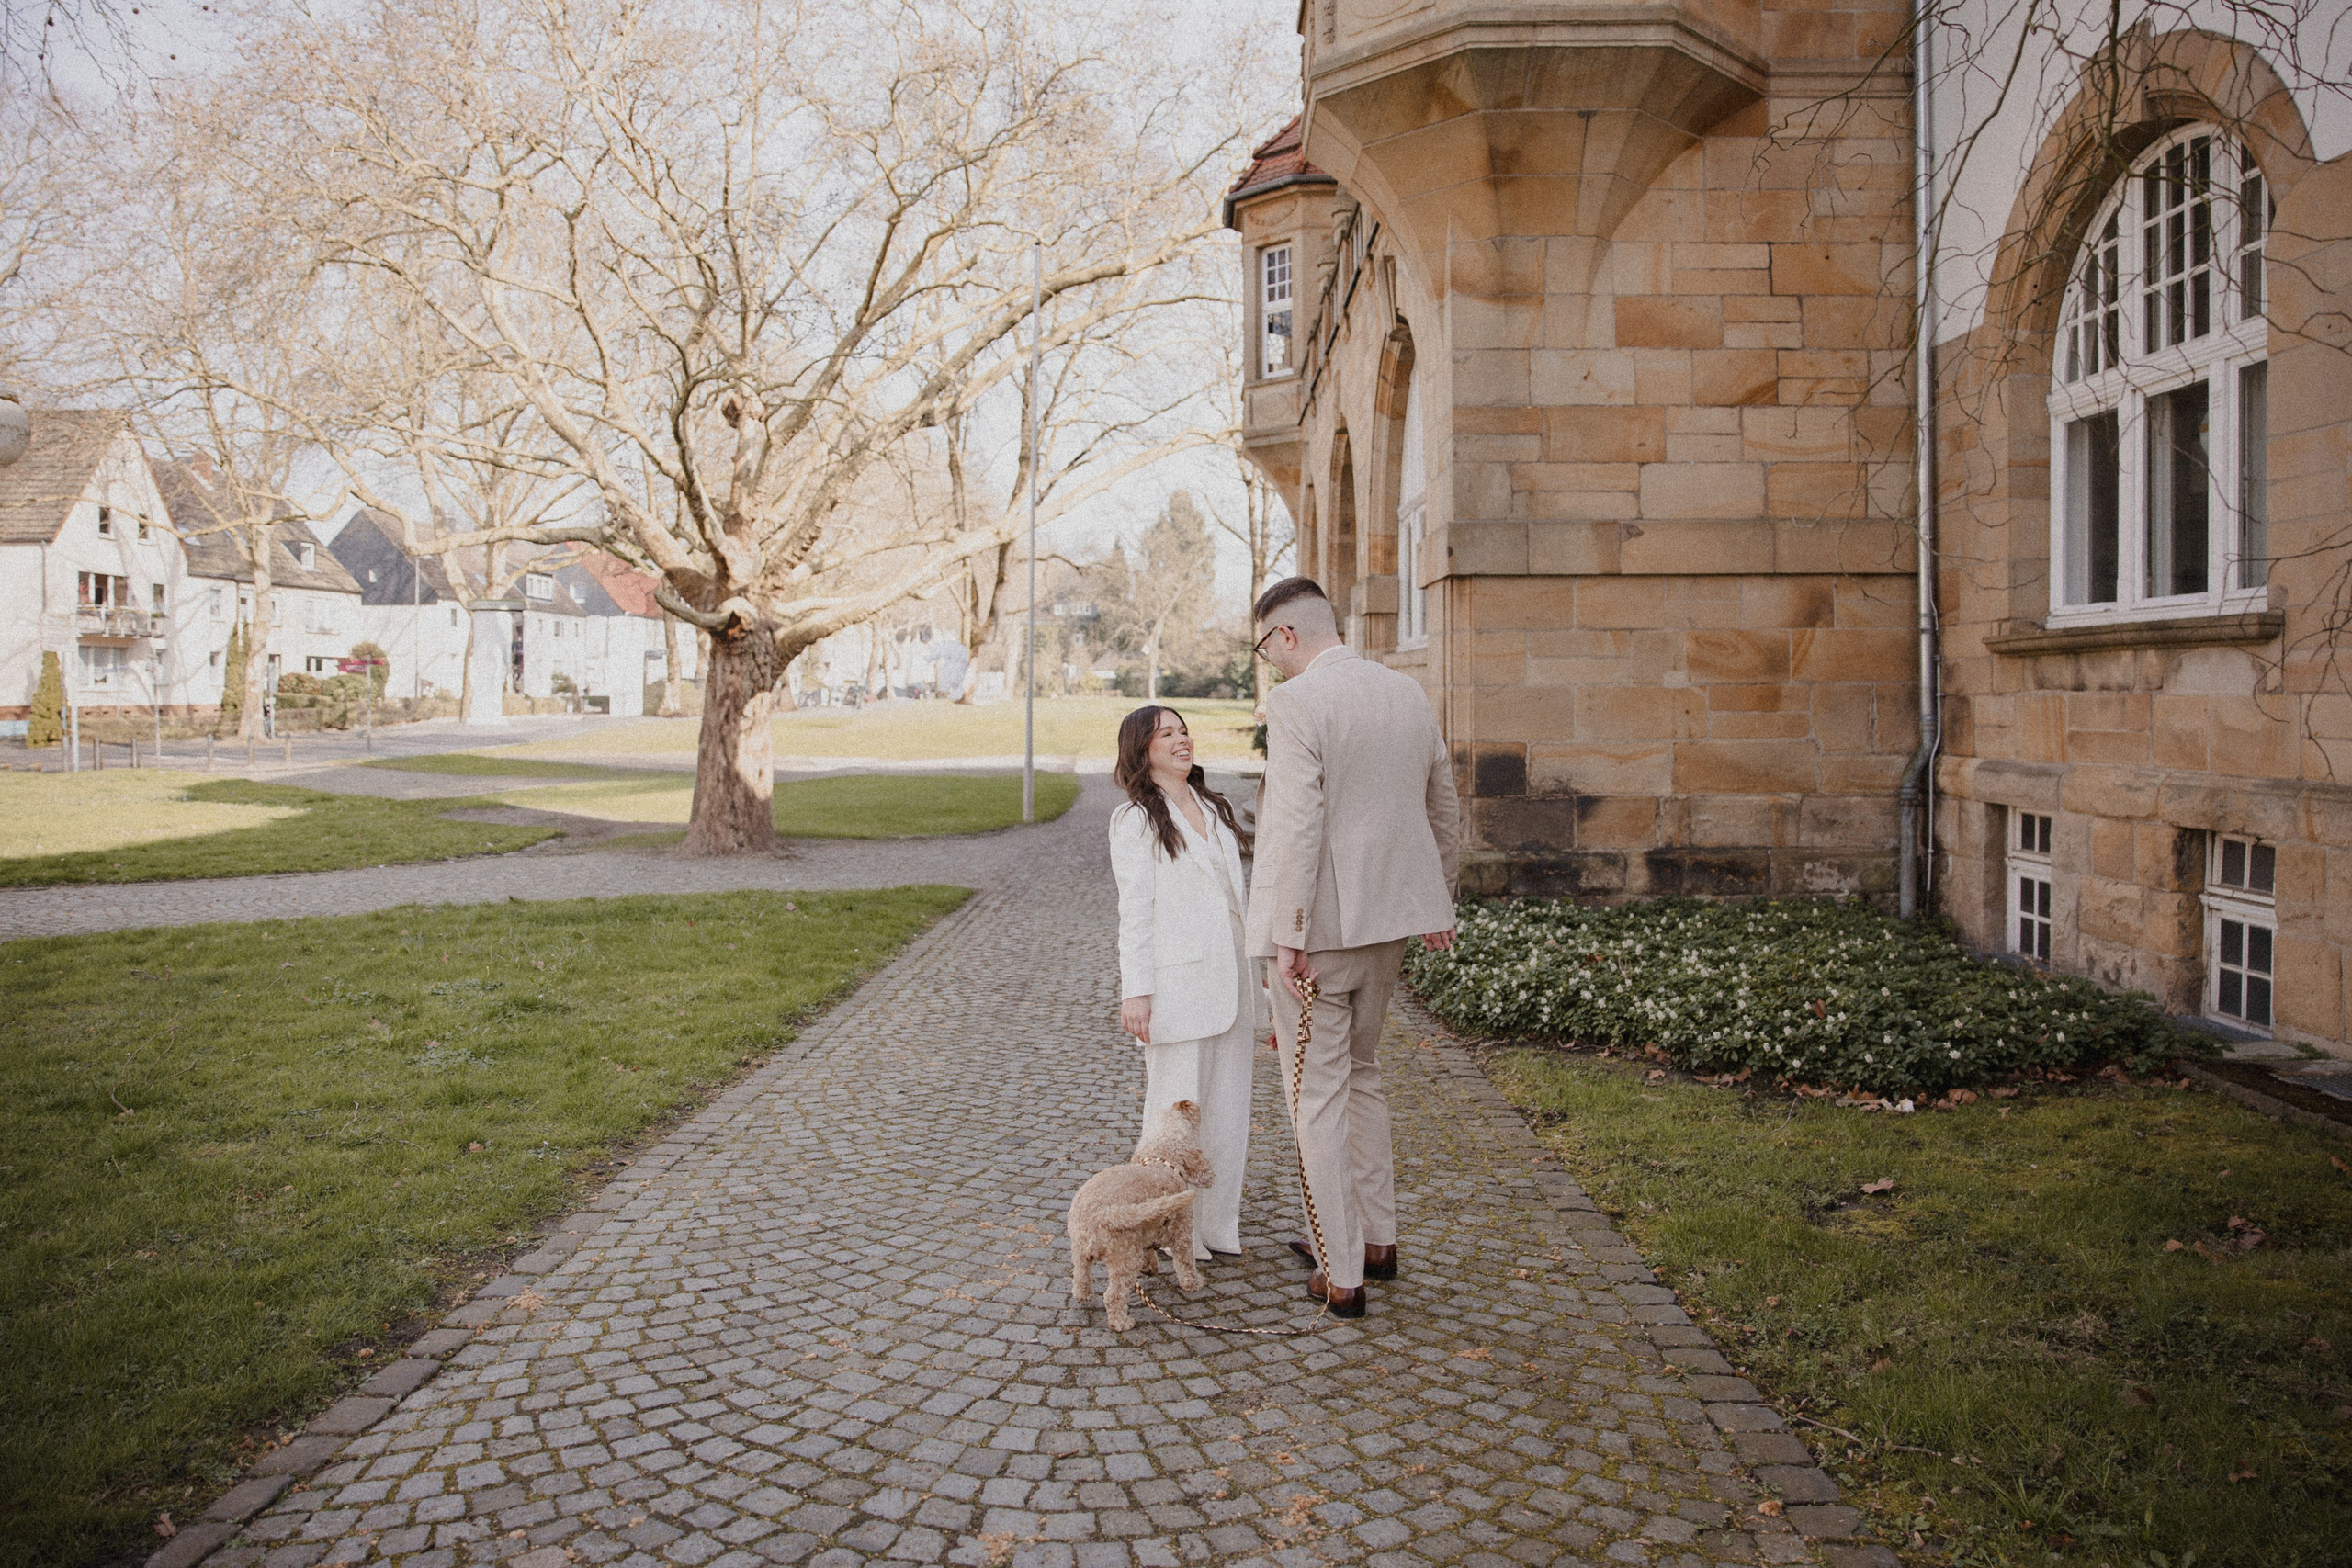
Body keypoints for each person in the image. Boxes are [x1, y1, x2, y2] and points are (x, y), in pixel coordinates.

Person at [1244, 577, 1458, 1318]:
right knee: (1361, 1074)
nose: (1266, 660)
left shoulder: (1298, 702)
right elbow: (1443, 803)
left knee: (1318, 1095)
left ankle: (1341, 1272)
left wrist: (1290, 932)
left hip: (1322, 935)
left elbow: (1299, 822)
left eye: (1264, 645)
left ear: (1287, 636)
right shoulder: (1407, 693)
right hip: (1389, 926)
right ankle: (1376, 1239)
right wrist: (1439, 899)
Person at [1107, 705, 1261, 1260]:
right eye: (1165, 734)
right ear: (1141, 751)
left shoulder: (1213, 808)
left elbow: (1235, 906)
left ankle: (1215, 1229)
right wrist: (1136, 992)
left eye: (1183, 730)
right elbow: (1135, 912)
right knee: (1172, 1120)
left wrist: (1260, 991)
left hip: (1234, 987)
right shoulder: (1135, 821)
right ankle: (1162, 1233)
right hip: (1177, 990)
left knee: (1227, 1117)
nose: (1181, 740)